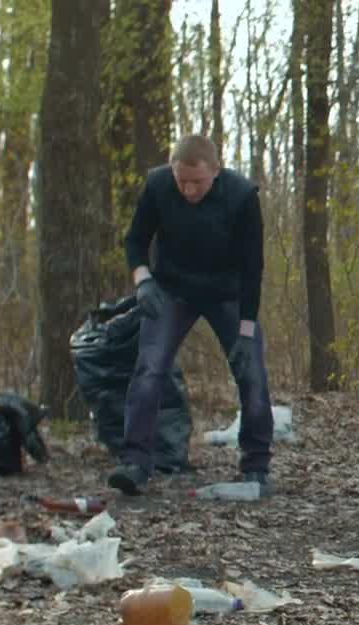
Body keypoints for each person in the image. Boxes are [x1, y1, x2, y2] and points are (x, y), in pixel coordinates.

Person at [105, 134, 275, 496]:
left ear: (216, 171)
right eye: (181, 180)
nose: (188, 190)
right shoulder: (157, 186)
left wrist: (245, 330)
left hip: (227, 292)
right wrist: (143, 281)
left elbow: (252, 268)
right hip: (171, 289)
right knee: (149, 368)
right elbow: (135, 240)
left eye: (197, 182)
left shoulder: (242, 196)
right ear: (172, 171)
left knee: (252, 374)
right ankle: (134, 462)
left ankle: (256, 466)